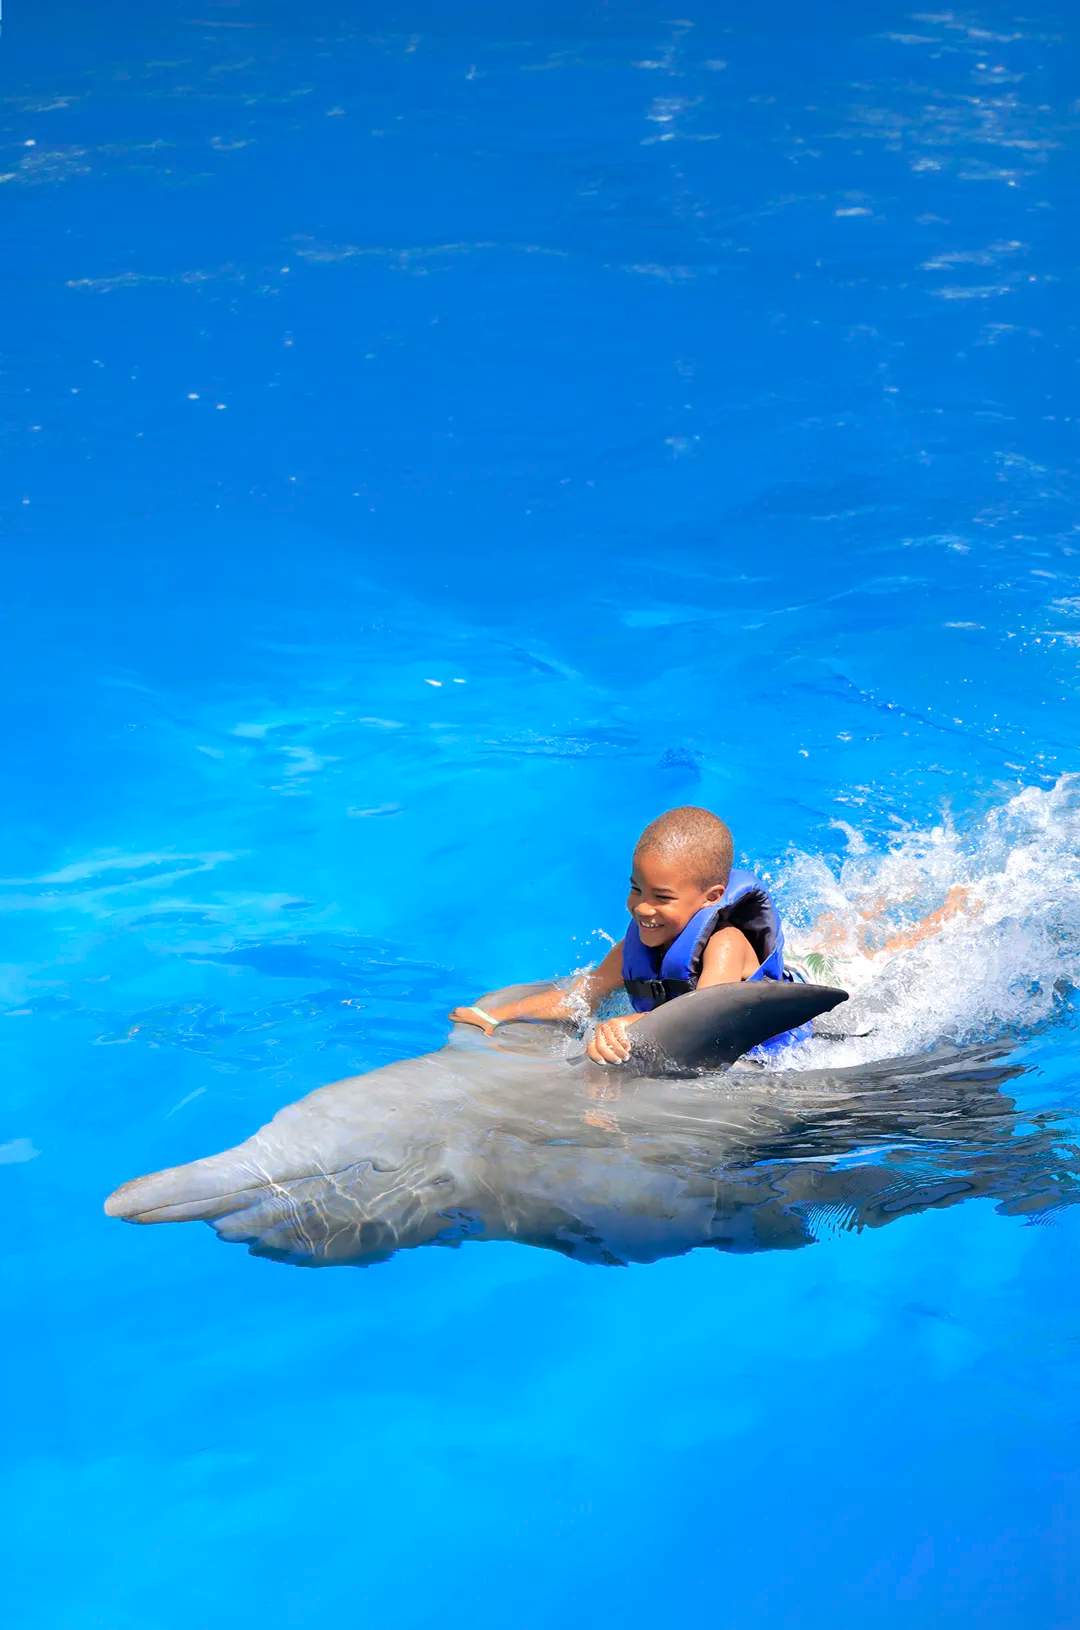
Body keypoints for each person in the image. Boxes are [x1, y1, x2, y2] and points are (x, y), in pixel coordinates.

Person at [450, 806, 795, 1065]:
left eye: (662, 897)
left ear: (712, 897)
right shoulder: (631, 949)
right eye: (636, 889)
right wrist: (499, 1014)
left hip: (769, 1052)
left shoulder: (725, 943)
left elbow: (703, 1016)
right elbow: (580, 996)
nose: (642, 908)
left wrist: (625, 1025)